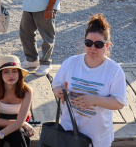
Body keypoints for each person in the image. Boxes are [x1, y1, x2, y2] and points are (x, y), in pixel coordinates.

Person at [52, 14, 126, 147]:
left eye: (98, 44)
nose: (92, 48)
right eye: (88, 43)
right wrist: (59, 92)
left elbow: (119, 102)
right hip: (68, 132)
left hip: (97, 138)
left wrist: (95, 100)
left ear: (107, 45)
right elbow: (57, 84)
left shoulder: (114, 70)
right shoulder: (71, 62)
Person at [0, 55, 34, 147]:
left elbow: (20, 121)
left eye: (14, 71)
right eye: (6, 72)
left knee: (18, 136)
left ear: (19, 74)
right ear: (1, 74)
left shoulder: (27, 91)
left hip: (17, 120)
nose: (11, 75)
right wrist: (22, 124)